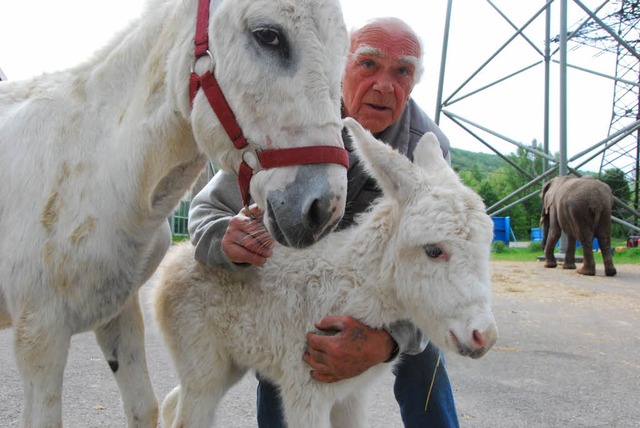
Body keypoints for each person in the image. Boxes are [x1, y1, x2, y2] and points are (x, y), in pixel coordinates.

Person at [188, 17, 460, 427]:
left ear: (414, 82)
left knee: (422, 356)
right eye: (369, 65)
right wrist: (224, 238)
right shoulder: (289, 119)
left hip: (377, 292)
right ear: (339, 67)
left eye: (402, 71)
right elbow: (207, 209)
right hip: (296, 290)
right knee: (284, 358)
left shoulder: (425, 148)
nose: (386, 86)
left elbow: (440, 264)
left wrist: (386, 343)